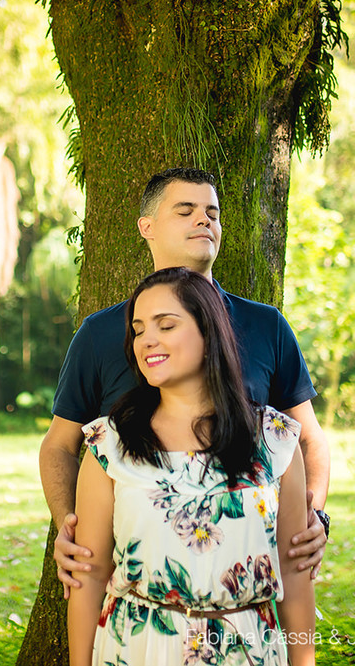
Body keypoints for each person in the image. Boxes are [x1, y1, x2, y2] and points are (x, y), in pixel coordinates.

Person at [39, 168, 330, 599]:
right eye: (186, 210)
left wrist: (313, 517)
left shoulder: (267, 326)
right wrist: (69, 524)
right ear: (147, 227)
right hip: (138, 585)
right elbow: (59, 446)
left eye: (212, 212)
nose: (204, 220)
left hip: (244, 581)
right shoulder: (100, 335)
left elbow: (307, 439)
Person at [68, 267, 315, 666]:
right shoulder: (109, 443)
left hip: (248, 649)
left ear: (209, 331)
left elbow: (295, 575)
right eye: (139, 329)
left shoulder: (275, 439)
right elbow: (90, 574)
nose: (148, 340)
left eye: (166, 325)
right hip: (138, 647)